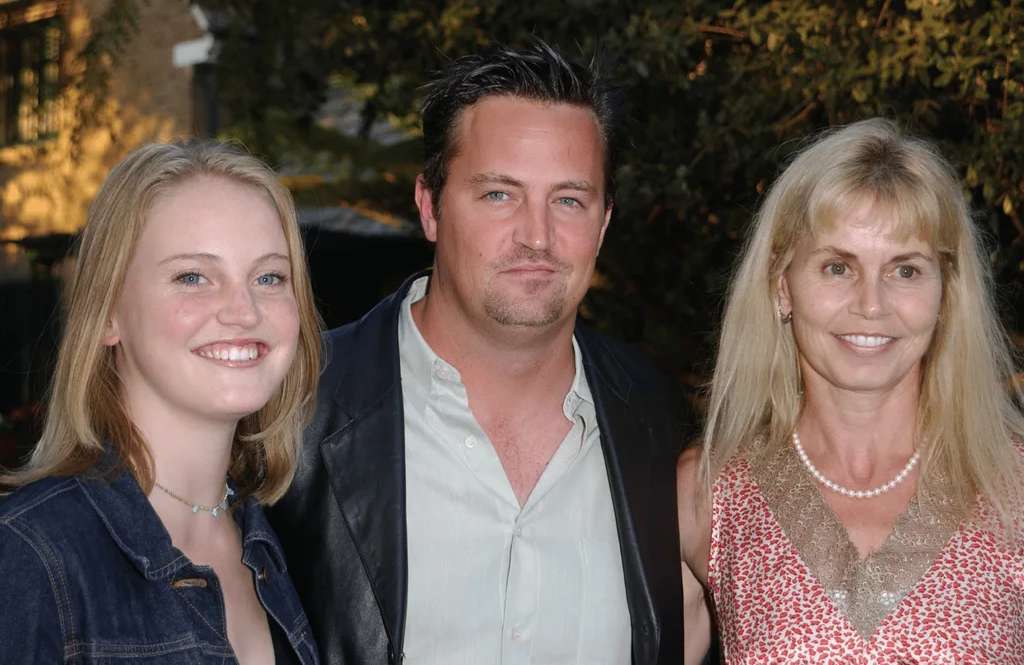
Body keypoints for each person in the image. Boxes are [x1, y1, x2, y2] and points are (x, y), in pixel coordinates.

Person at [267, 40, 691, 665]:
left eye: (569, 200)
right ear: (430, 208)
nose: (537, 236)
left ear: (603, 224)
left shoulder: (656, 420)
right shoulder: (293, 409)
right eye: (499, 194)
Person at [678, 118, 1024, 663]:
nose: (872, 304)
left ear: (946, 293)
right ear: (782, 286)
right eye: (838, 267)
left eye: (905, 271)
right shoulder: (705, 494)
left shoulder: (1014, 487)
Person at [0, 140, 323, 664]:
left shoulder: (276, 544)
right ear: (108, 313)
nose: (244, 311)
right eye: (192, 277)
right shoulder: (30, 553)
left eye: (269, 277)